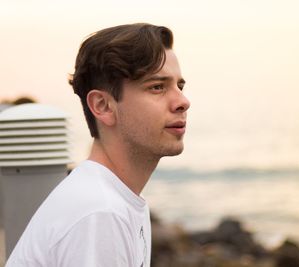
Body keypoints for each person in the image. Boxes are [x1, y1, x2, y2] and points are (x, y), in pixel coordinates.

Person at [6, 23, 190, 267]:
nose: (182, 101)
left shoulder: (115, 200)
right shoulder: (99, 212)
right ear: (102, 106)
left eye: (180, 86)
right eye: (157, 87)